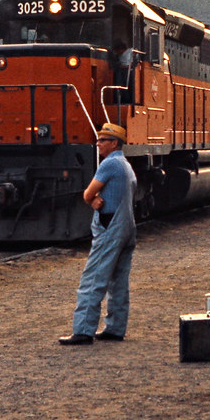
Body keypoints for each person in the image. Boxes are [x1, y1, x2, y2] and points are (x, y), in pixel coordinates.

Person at [59, 123, 138, 345]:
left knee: (93, 278)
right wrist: (95, 199)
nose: (98, 143)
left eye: (103, 140)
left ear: (114, 143)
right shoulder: (126, 164)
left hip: (110, 227)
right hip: (127, 227)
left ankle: (83, 330)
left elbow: (88, 193)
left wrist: (91, 198)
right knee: (118, 281)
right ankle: (115, 328)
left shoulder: (110, 163)